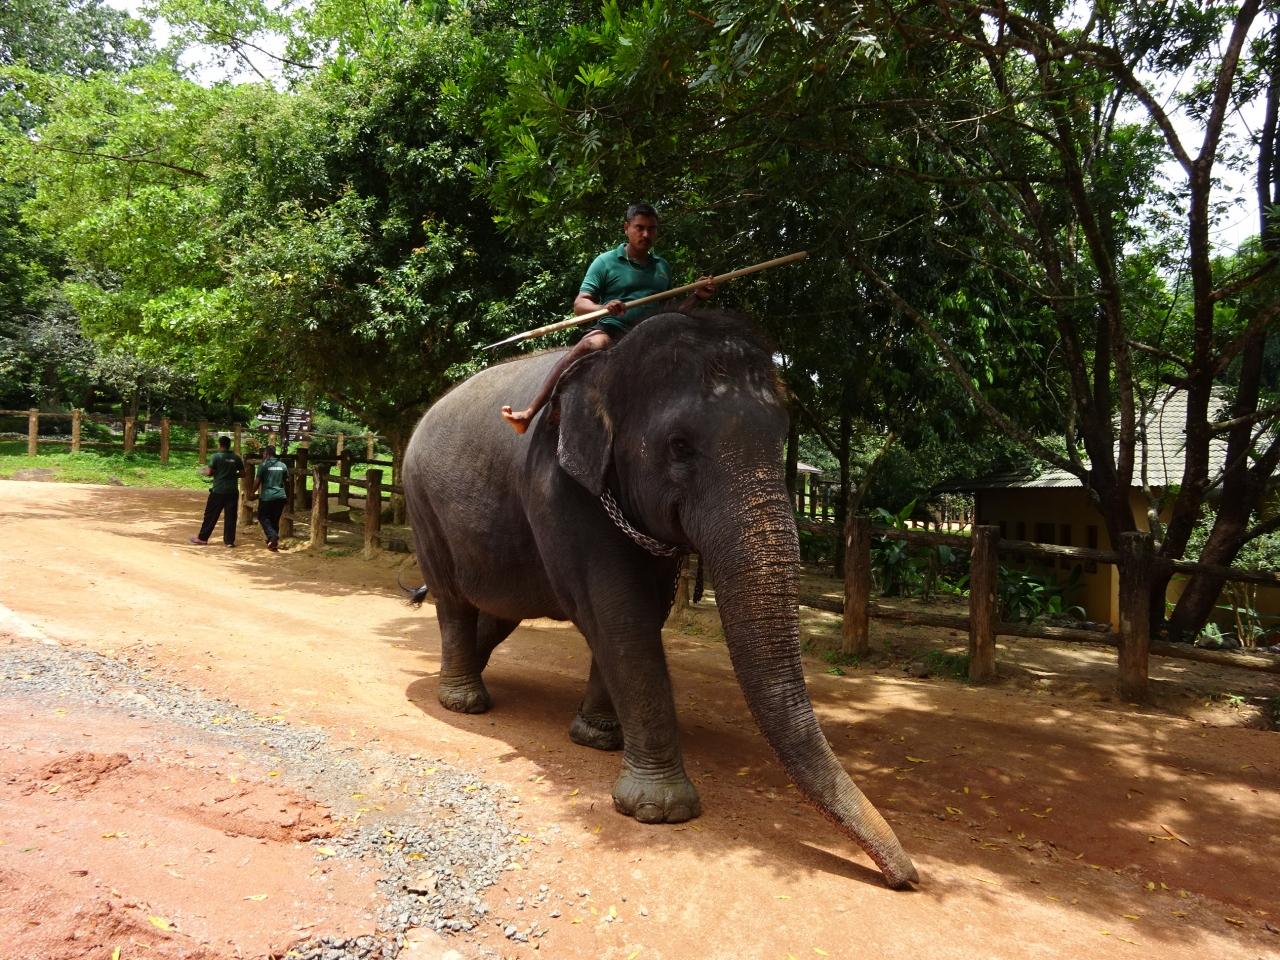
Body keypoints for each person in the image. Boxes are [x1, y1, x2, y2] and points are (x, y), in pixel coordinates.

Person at [500, 202, 716, 434]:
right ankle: (530, 412)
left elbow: (671, 312)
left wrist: (697, 297)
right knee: (595, 343)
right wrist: (603, 307)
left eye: (651, 229)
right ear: (626, 228)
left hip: (652, 335)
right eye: (639, 227)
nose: (646, 234)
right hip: (612, 331)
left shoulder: (662, 267)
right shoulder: (605, 262)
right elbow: (580, 305)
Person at [190, 435, 244, 547]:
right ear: (229, 445)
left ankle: (203, 538)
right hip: (232, 491)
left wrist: (208, 472)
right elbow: (243, 474)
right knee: (231, 517)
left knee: (211, 515)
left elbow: (209, 472)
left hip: (218, 491)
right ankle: (229, 541)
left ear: (220, 444)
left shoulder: (216, 457)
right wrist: (232, 474)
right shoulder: (236, 457)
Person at [249, 445, 290, 551]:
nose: (263, 455)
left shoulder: (263, 465)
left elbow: (257, 481)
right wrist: (287, 496)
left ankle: (273, 537)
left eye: (263, 453)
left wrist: (252, 492)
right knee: (274, 520)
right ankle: (272, 542)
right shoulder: (283, 465)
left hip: (267, 497)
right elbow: (287, 482)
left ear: (266, 454)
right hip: (280, 496)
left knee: (262, 517)